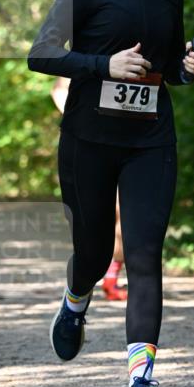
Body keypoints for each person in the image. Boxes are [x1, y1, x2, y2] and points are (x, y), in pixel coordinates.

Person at [28, 0, 194, 387]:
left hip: (151, 139)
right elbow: (42, 55)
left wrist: (187, 68)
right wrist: (103, 66)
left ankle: (141, 381)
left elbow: (166, 68)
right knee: (91, 250)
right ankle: (76, 299)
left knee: (145, 254)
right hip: (88, 139)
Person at [51, 76, 127, 301]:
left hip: (129, 141)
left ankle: (111, 278)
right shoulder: (88, 49)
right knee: (98, 217)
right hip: (87, 144)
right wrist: (83, 118)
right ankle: (87, 274)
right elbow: (58, 90)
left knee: (124, 212)